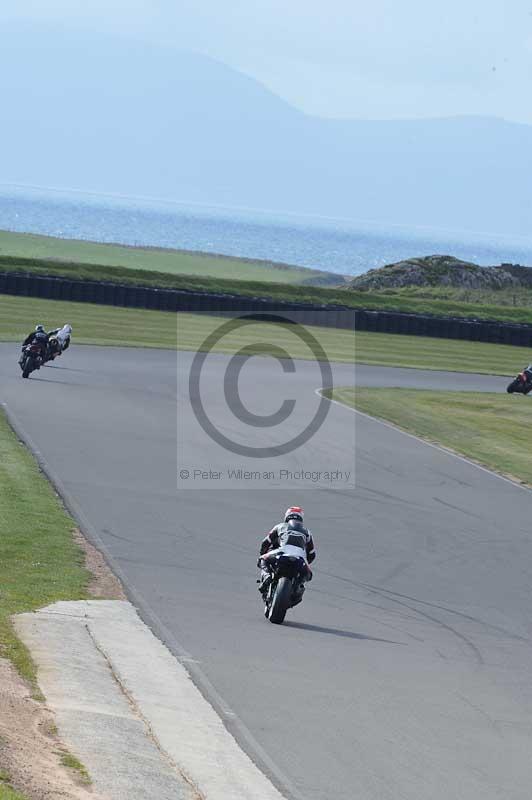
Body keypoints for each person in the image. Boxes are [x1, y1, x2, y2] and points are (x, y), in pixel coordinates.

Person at [257, 506, 316, 597]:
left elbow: (266, 542)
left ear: (287, 516)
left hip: (282, 553)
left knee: (262, 560)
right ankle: (297, 587)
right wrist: (305, 561)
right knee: (308, 575)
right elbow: (312, 554)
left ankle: (267, 577)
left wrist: (263, 552)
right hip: (300, 559)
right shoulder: (307, 532)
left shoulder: (280, 526)